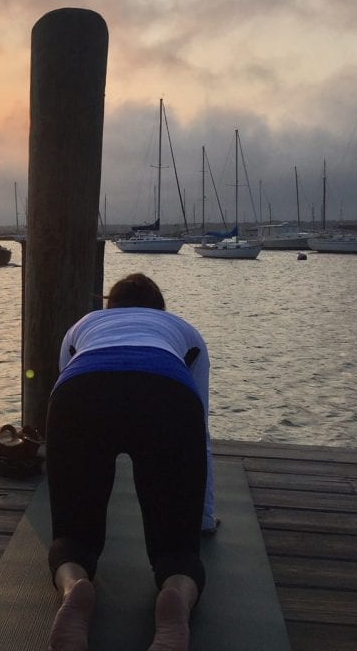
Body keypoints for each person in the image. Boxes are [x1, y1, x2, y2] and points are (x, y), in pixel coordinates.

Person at [46, 273, 215, 651]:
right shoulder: (184, 331)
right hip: (166, 392)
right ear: (160, 310)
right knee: (177, 551)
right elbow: (199, 431)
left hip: (80, 393)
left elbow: (66, 381)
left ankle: (75, 587)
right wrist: (202, 518)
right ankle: (176, 594)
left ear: (109, 306)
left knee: (73, 536)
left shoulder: (83, 326)